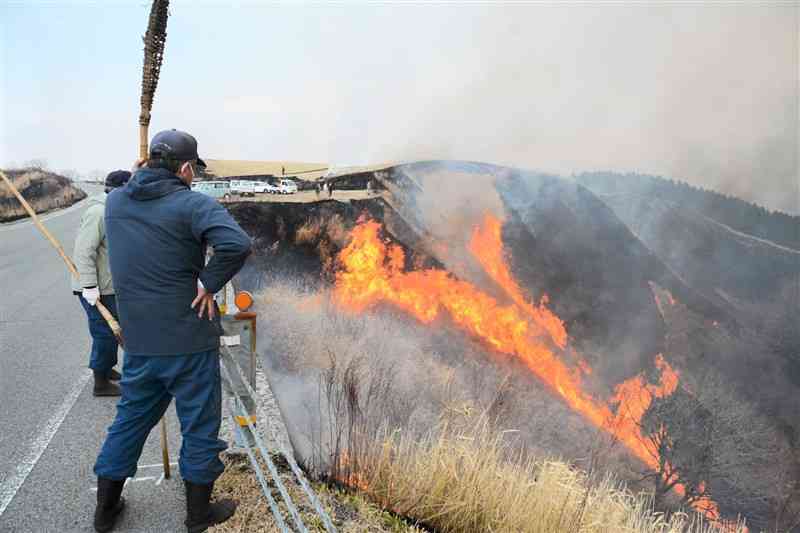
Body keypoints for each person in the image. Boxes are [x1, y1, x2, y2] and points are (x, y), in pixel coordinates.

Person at [92, 129, 251, 533]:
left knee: (129, 422)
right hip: (189, 340)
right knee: (199, 426)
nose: (194, 177)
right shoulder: (192, 204)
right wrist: (209, 284)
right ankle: (198, 517)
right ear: (184, 168)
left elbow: (132, 184)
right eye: (192, 169)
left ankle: (106, 510)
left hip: (140, 340)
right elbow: (236, 244)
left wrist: (139, 174)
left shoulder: (115, 202)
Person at [72, 170, 131, 397]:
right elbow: (83, 251)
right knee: (105, 333)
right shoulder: (98, 212)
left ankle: (106, 369)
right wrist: (89, 286)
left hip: (110, 285)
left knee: (114, 331)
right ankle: (100, 382)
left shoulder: (116, 209)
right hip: (95, 287)